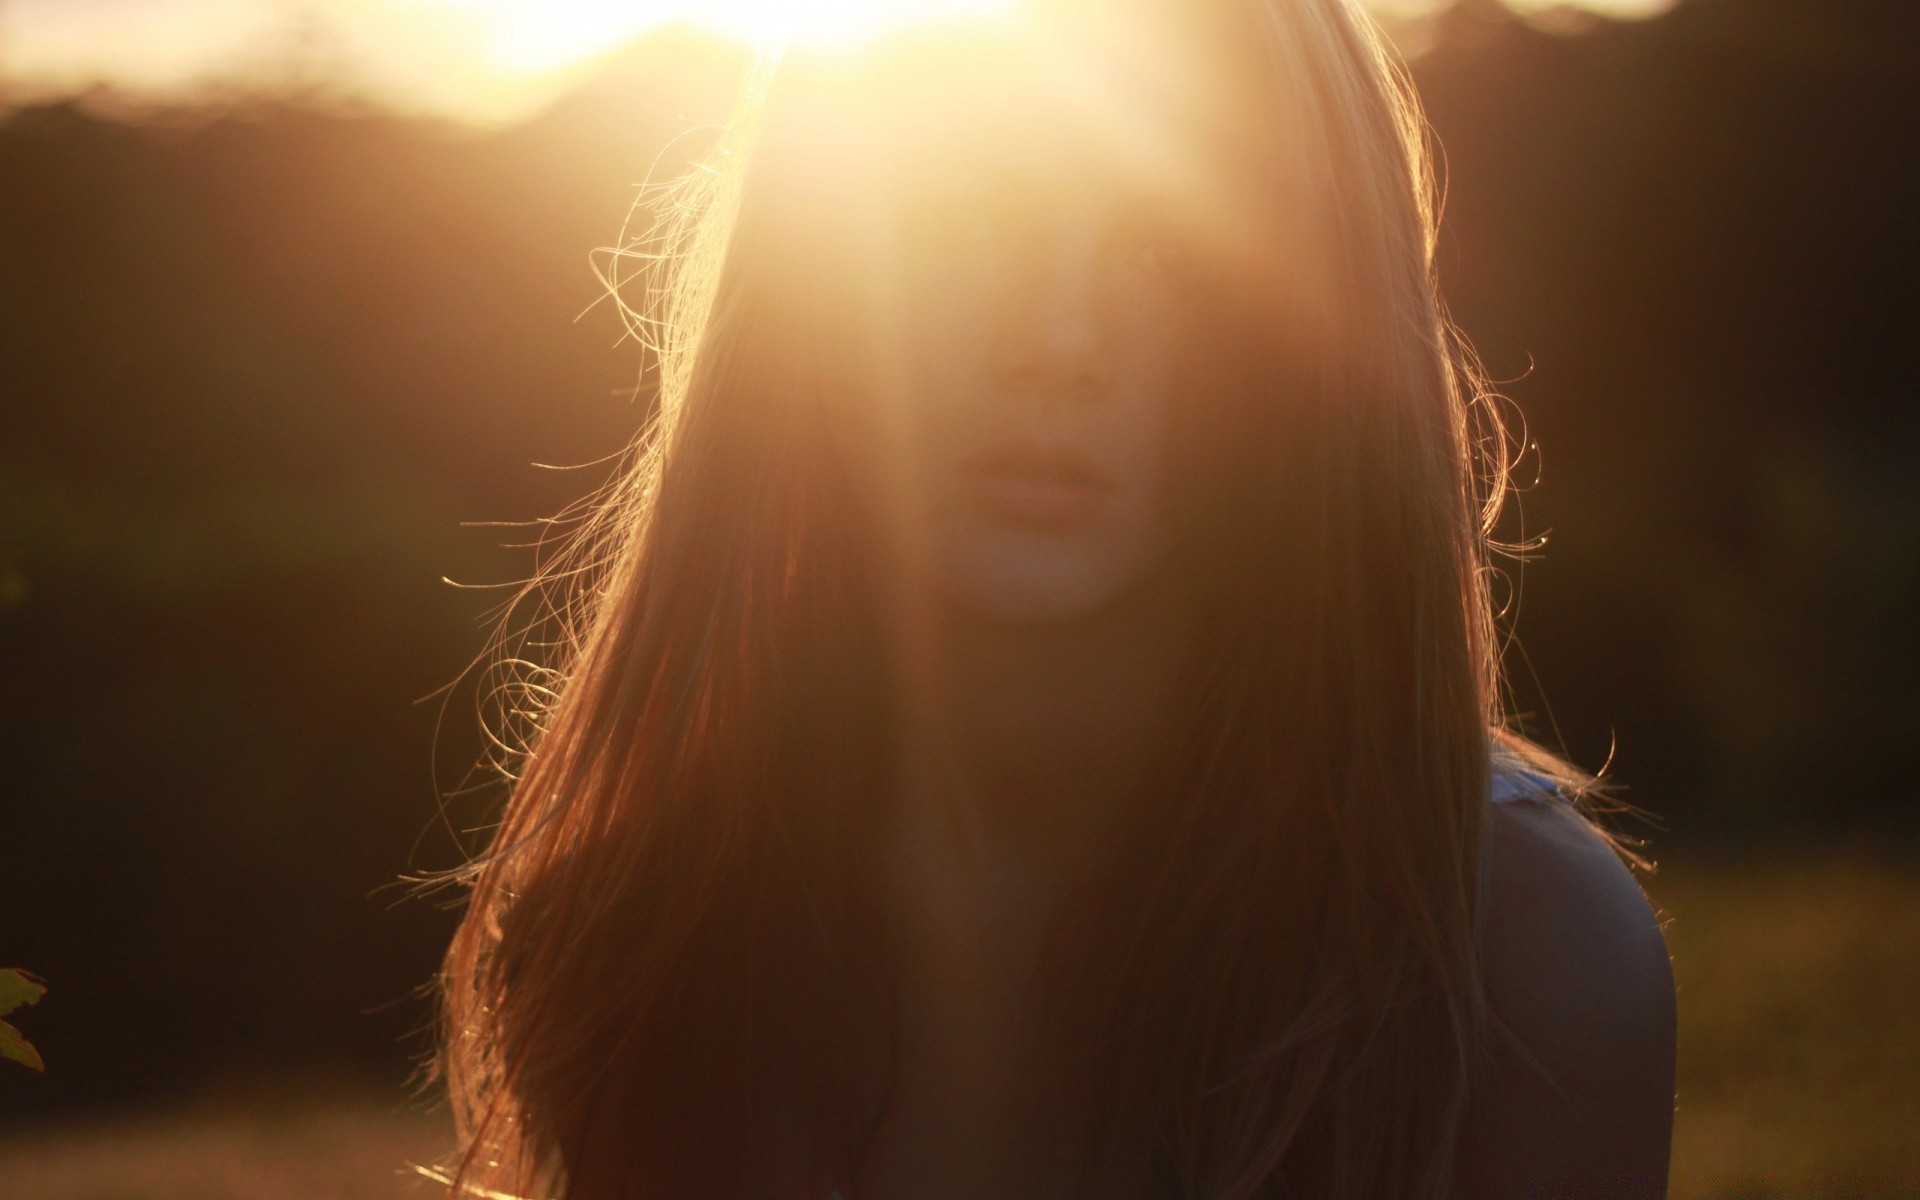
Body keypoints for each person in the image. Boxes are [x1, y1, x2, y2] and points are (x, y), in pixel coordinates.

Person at [426, 1, 1677, 1196]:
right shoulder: (643, 929)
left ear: (1307, 322)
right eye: (969, 215)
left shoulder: (1521, 956)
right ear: (813, 281)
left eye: (1160, 247)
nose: (1060, 337)